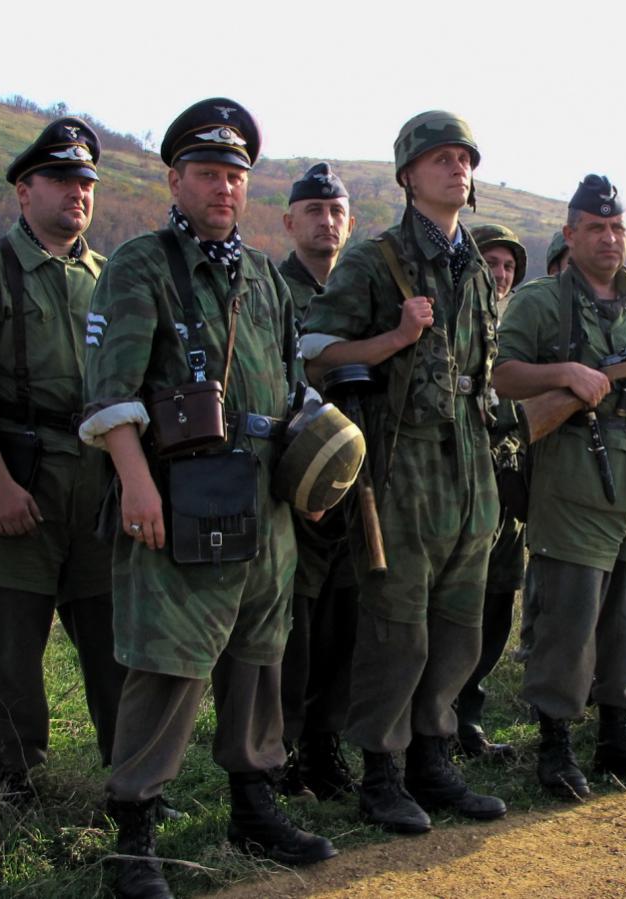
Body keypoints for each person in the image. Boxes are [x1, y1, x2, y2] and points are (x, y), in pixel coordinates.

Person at [80, 98, 336, 899]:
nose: (224, 187)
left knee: (259, 658)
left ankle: (253, 806)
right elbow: (109, 392)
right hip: (181, 492)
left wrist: (313, 477)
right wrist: (135, 482)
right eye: (207, 173)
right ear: (175, 181)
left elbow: (293, 389)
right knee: (169, 663)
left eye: (235, 175)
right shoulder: (142, 265)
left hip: (265, 497)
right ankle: (134, 836)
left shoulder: (263, 276)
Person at [300, 110, 506, 834]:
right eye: (441, 158)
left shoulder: (475, 264)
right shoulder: (375, 260)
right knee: (396, 628)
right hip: (402, 464)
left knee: (458, 623)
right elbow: (314, 350)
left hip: (470, 461)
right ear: (409, 175)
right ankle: (381, 772)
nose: (457, 168)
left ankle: (432, 758)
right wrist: (393, 337)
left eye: (464, 158)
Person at [0, 117, 125, 800]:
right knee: (8, 661)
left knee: (118, 653)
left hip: (96, 491)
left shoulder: (109, 279)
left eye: (86, 182)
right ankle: (5, 800)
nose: (77, 192)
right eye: (61, 179)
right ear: (24, 191)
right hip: (19, 479)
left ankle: (135, 789)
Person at [494, 174, 626, 800]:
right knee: (568, 625)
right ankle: (555, 747)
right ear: (571, 233)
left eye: (617, 228)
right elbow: (502, 375)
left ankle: (617, 738)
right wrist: (568, 374)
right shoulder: (540, 302)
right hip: (573, 485)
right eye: (596, 228)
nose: (608, 238)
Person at [277, 162, 359, 800]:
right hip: (293, 482)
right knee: (293, 626)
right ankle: (279, 751)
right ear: (289, 222)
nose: (326, 222)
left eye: (335, 213)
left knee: (344, 619)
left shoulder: (361, 293)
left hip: (357, 482)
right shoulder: (271, 291)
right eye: (314, 211)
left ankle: (324, 745)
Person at [454, 223, 529, 760]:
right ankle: (437, 721)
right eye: (491, 262)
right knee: (458, 608)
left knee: (499, 605)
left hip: (510, 487)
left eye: (508, 266)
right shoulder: (457, 322)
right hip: (464, 483)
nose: (500, 274)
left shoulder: (517, 330)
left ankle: (468, 719)